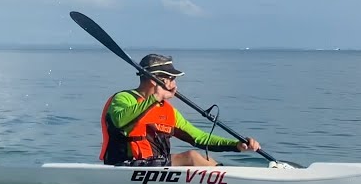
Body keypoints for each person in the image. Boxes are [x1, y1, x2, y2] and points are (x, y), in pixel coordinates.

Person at [99, 54, 261, 167]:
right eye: (171, 78)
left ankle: (227, 177)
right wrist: (155, 97)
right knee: (191, 157)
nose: (174, 84)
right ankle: (229, 183)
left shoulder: (168, 111)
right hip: (123, 166)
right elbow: (120, 122)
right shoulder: (123, 99)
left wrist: (237, 145)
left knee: (207, 160)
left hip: (155, 168)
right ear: (156, 79)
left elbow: (199, 138)